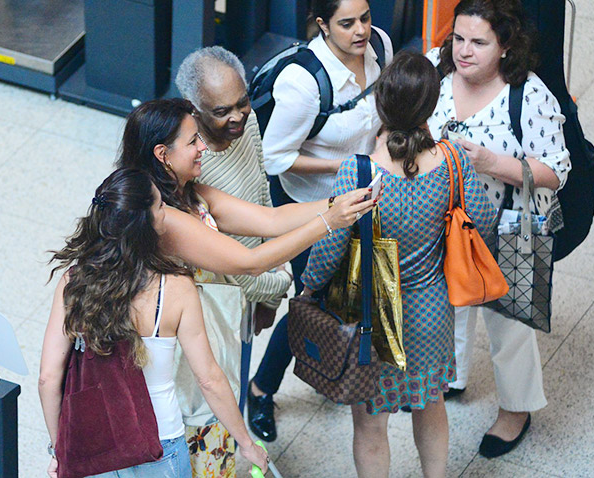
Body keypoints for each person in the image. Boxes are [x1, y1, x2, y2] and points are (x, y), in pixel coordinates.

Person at [117, 97, 375, 473]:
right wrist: (329, 223)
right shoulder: (166, 219)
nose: (203, 146)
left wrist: (338, 203)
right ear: (163, 154)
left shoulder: (188, 192)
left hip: (206, 331)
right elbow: (251, 263)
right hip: (181, 355)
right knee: (199, 427)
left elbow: (269, 220)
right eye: (192, 141)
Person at [301, 51, 496, 478]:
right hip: (431, 313)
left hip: (372, 318)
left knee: (371, 422)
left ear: (379, 103)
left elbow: (330, 247)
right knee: (430, 403)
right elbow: (481, 219)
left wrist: (310, 288)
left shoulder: (359, 173)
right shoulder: (453, 162)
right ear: (432, 106)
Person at [38, 168, 269, 477]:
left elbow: (48, 378)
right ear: (145, 224)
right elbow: (209, 379)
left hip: (93, 443)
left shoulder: (74, 283)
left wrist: (60, 449)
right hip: (159, 443)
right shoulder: (175, 289)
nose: (167, 212)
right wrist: (246, 443)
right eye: (160, 205)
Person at [425, 0, 571, 458]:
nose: (463, 51)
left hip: (508, 223)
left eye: (478, 43)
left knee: (509, 321)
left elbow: (557, 171)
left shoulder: (528, 94)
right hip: (443, 215)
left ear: (506, 45)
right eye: (458, 38)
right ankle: (454, 374)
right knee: (449, 301)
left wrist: (494, 162)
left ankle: (517, 409)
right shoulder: (434, 68)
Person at [252, 0, 394, 442]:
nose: (362, 31)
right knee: (310, 301)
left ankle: (332, 363)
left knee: (344, 293)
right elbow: (276, 158)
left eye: (365, 17)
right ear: (322, 25)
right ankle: (260, 389)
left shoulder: (381, 46)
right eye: (347, 23)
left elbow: (383, 114)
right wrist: (346, 166)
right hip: (307, 204)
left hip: (363, 196)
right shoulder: (303, 82)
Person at [175, 47, 292, 414]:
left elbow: (262, 194)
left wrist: (268, 290)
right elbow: (222, 266)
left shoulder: (249, 122)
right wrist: (277, 286)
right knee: (211, 397)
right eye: (221, 111)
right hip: (216, 296)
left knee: (236, 386)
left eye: (241, 102)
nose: (237, 116)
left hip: (255, 280)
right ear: (193, 110)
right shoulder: (190, 166)